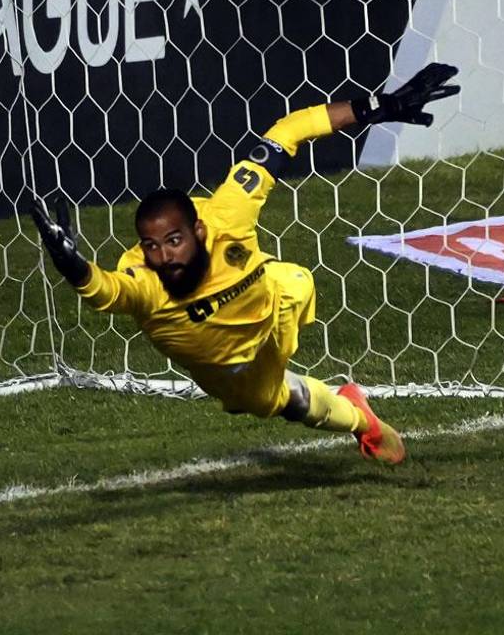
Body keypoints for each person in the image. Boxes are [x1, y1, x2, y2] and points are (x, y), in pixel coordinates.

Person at [30, 64, 460, 465]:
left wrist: (374, 108)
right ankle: (362, 418)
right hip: (226, 367)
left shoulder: (227, 214)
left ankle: (330, 392)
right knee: (282, 403)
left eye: (174, 241)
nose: (164, 256)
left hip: (276, 298)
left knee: (294, 283)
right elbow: (106, 291)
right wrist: (72, 264)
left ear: (199, 232)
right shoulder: (146, 281)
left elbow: (286, 133)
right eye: (152, 245)